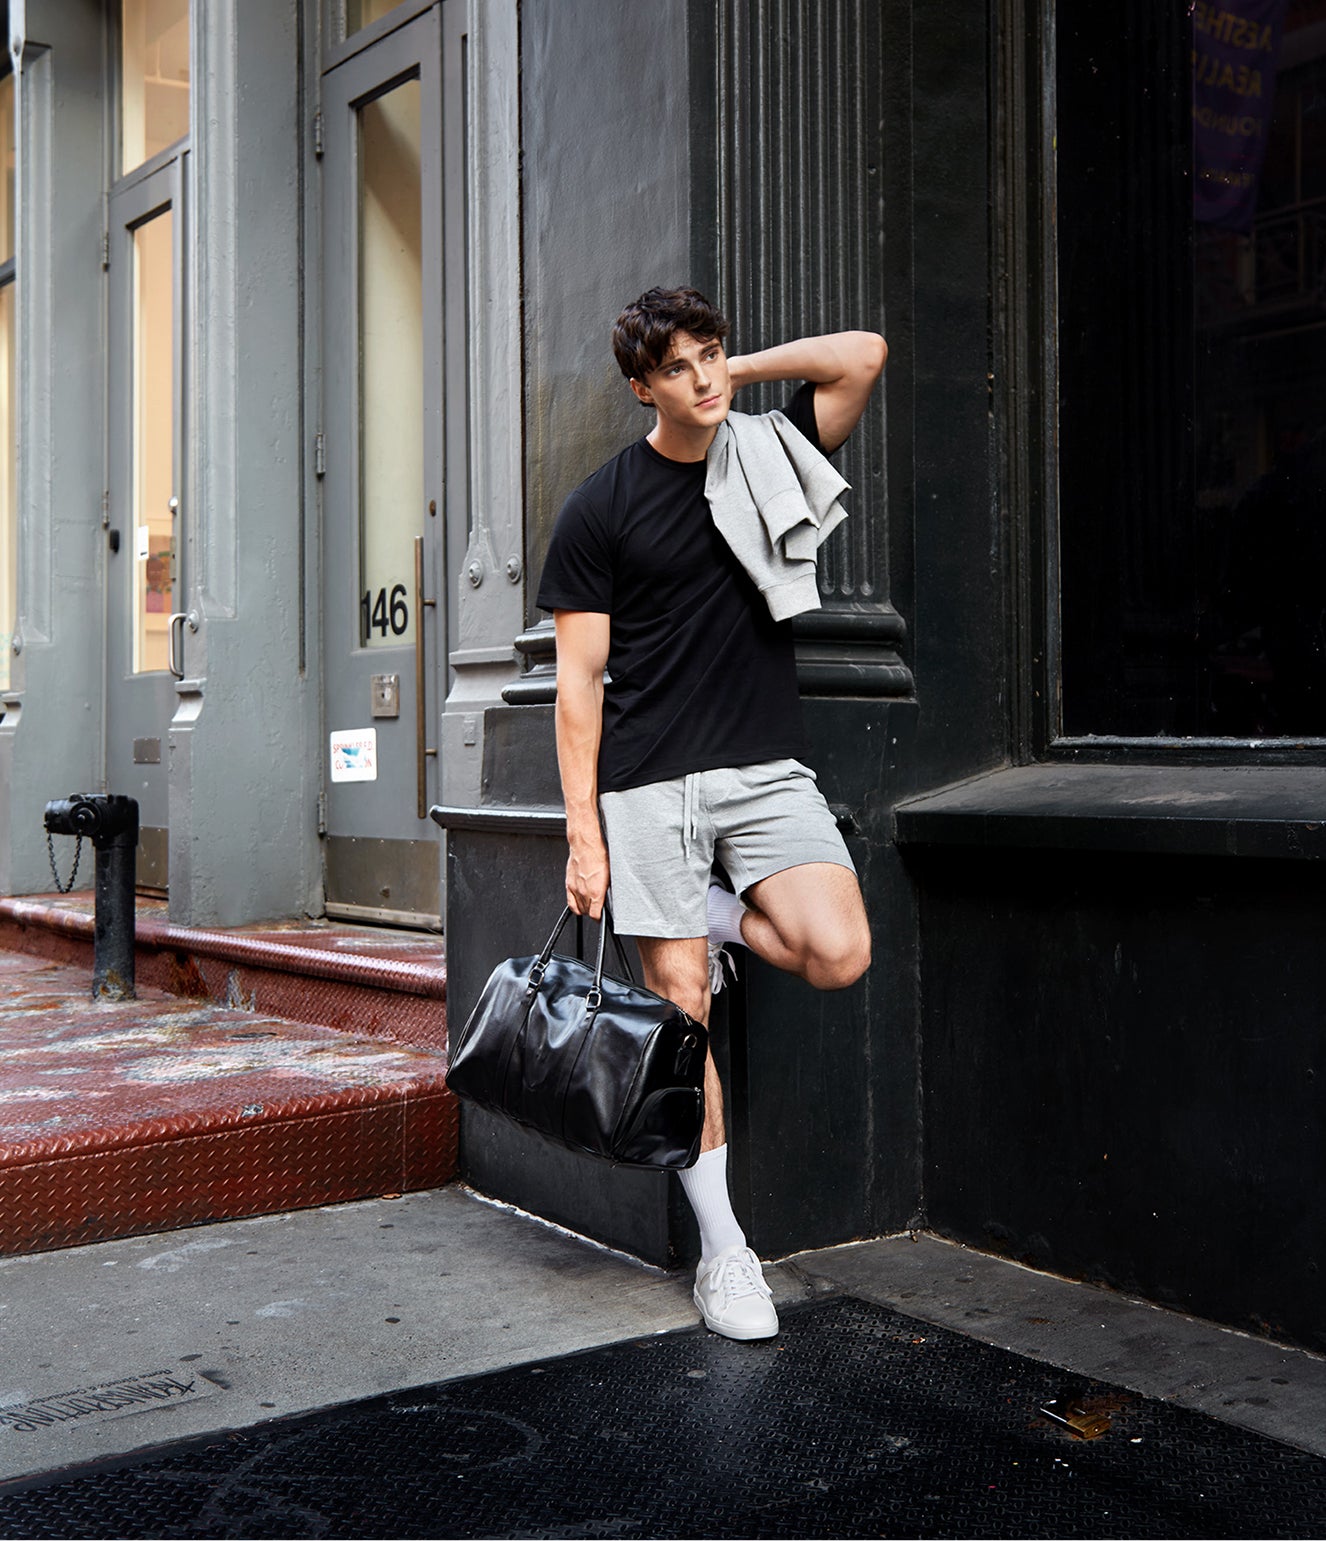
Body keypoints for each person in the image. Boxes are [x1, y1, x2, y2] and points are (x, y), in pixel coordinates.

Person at [537, 286, 886, 1341]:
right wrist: (585, 835)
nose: (701, 378)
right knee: (681, 1011)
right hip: (648, 780)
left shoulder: (769, 448)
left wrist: (741, 368)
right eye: (677, 367)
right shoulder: (601, 507)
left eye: (711, 354)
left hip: (764, 769)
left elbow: (863, 353)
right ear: (639, 388)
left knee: (838, 949)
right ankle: (726, 1253)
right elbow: (577, 684)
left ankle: (718, 913)